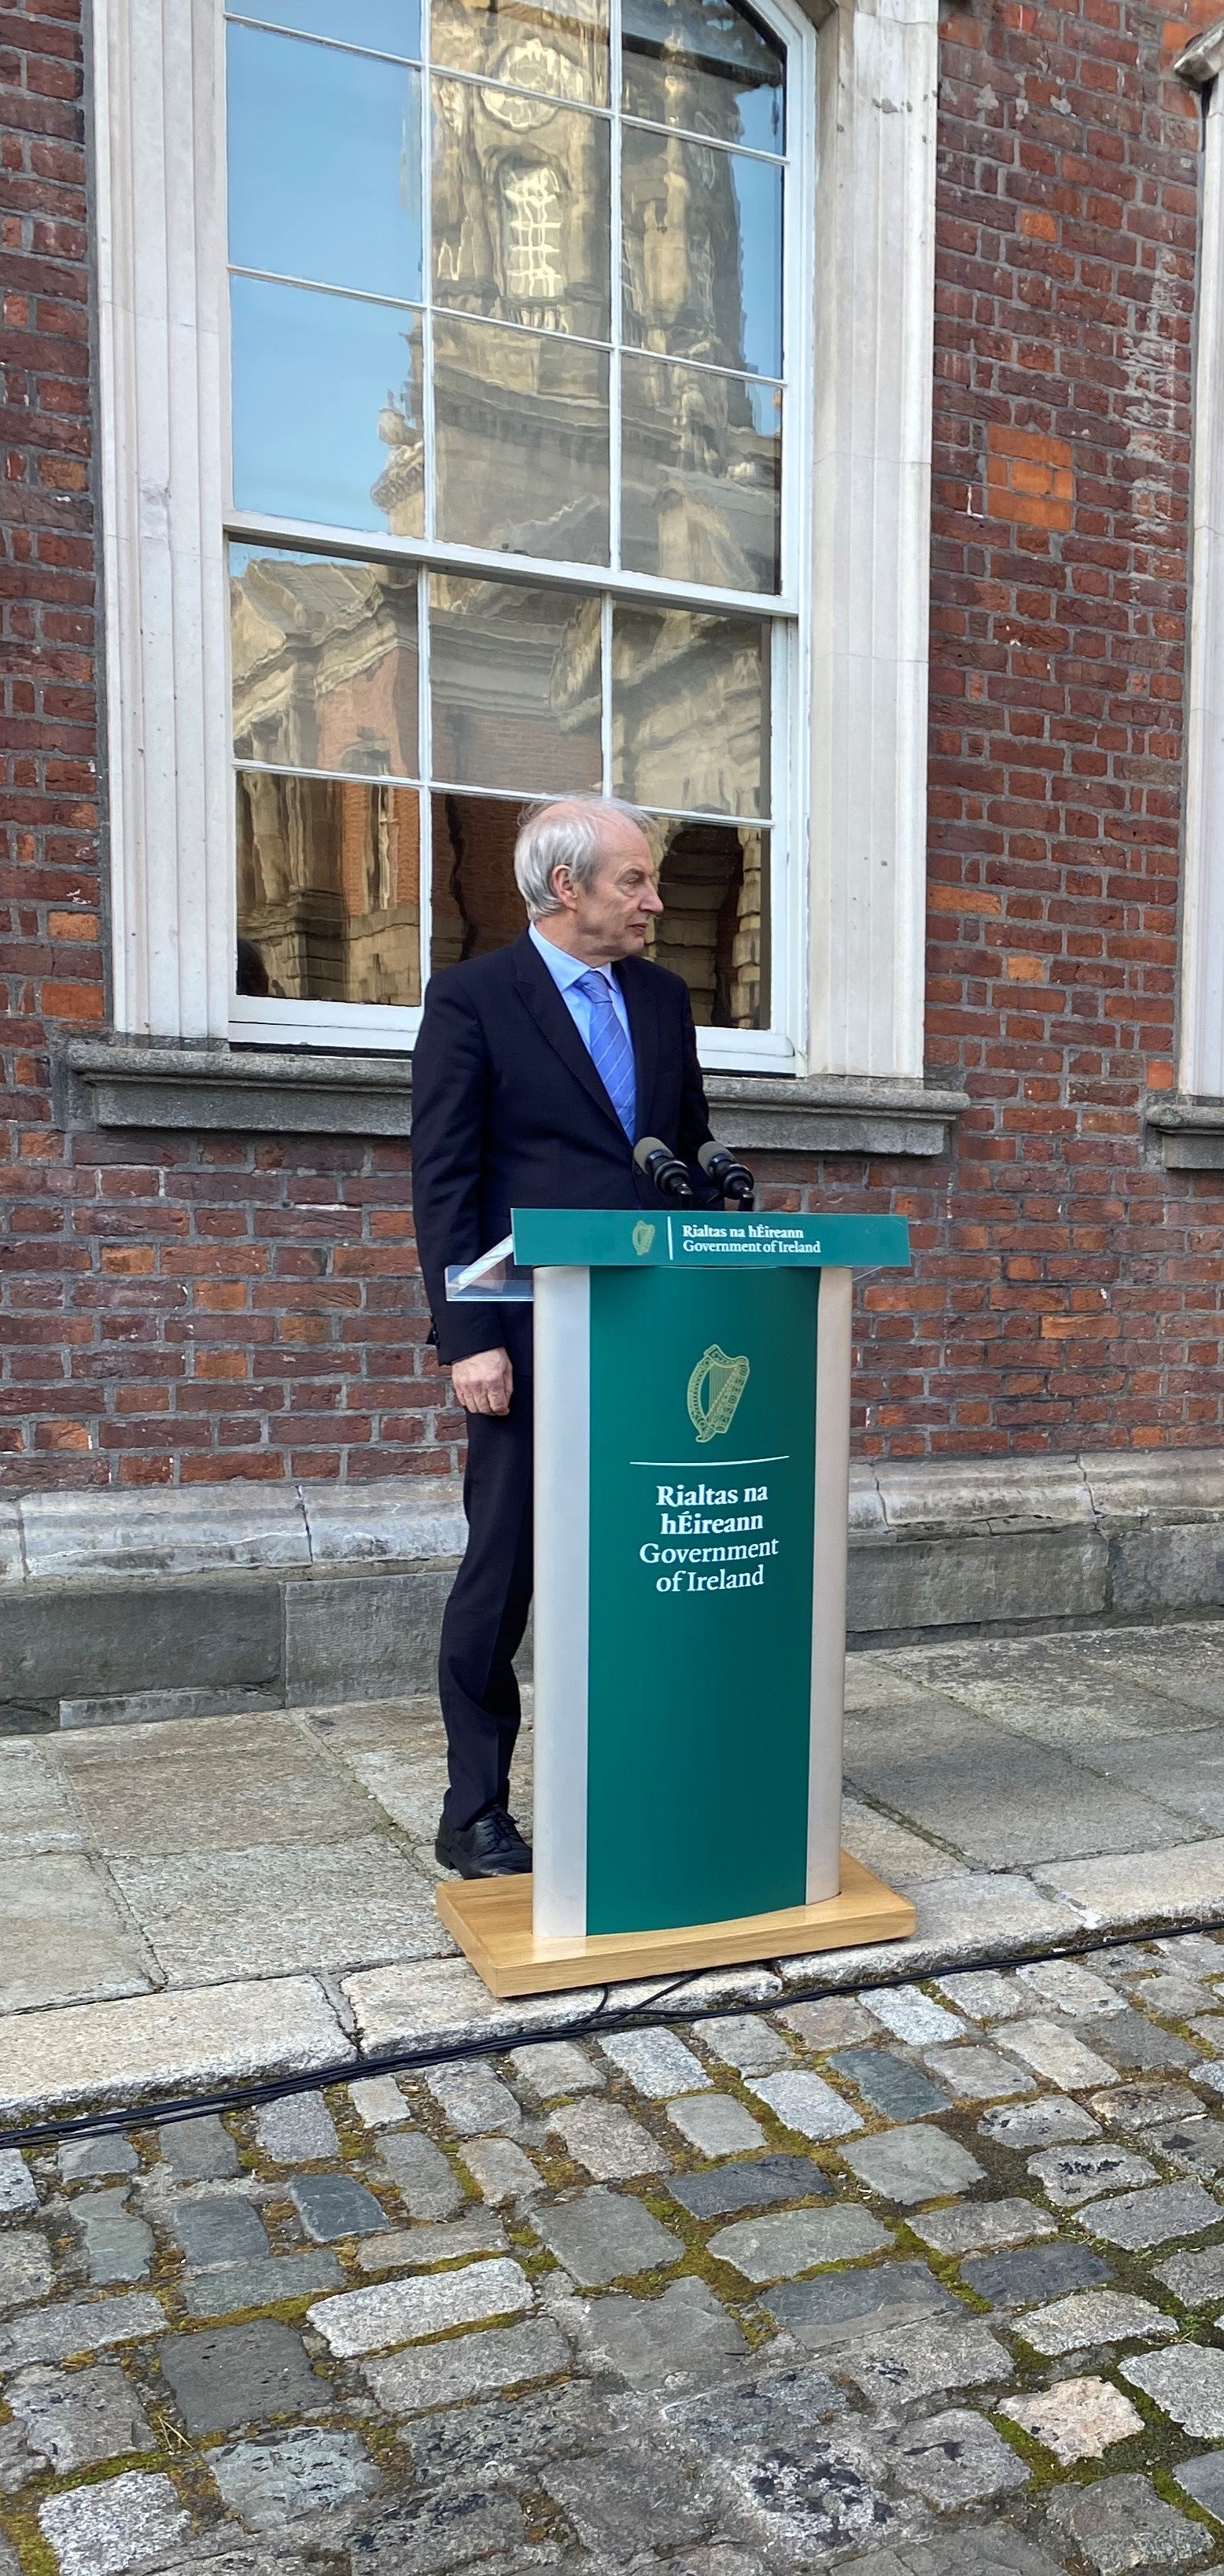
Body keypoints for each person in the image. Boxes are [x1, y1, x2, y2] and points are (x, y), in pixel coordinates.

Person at [411, 795, 727, 1881]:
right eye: (634, 881)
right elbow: (446, 1182)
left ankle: (650, 1767)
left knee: (647, 1559)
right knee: (504, 1572)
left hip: (650, 1330)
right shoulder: (473, 1001)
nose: (653, 899)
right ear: (567, 889)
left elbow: (679, 1154)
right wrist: (469, 1339)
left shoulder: (663, 998)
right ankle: (475, 1809)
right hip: (527, 1335)